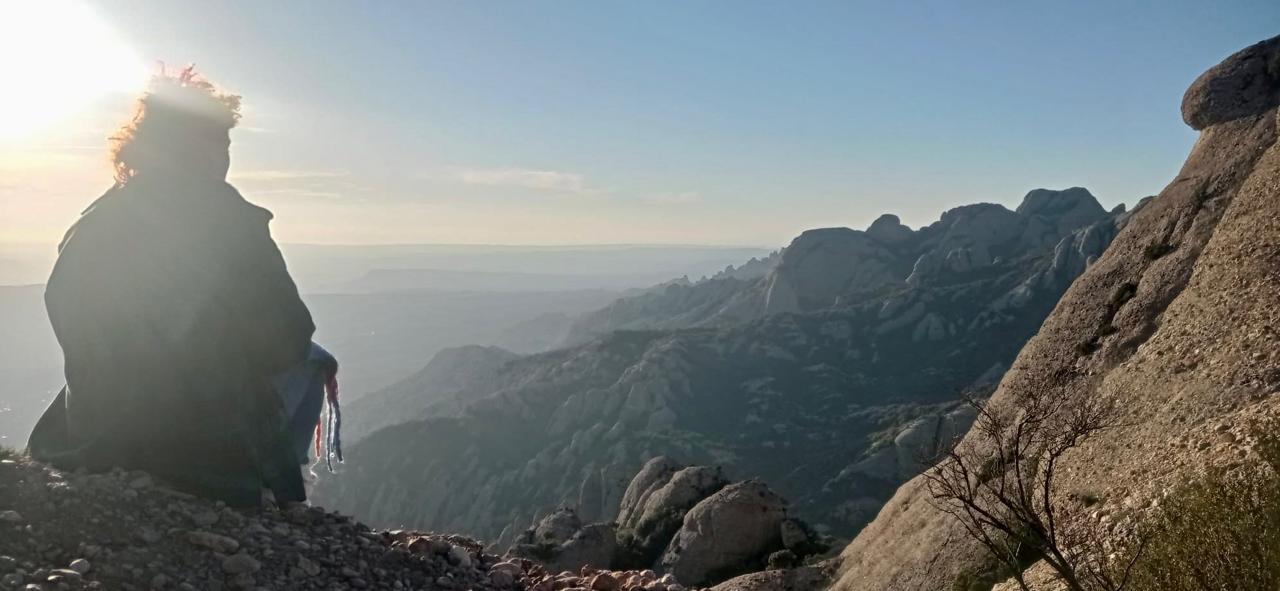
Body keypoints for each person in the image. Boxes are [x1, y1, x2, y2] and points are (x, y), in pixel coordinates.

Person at [28, 66, 339, 507]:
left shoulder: (94, 219)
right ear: (199, 147)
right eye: (221, 142)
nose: (226, 157)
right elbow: (287, 337)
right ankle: (275, 493)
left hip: (95, 431)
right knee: (314, 360)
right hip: (198, 447)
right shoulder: (230, 216)